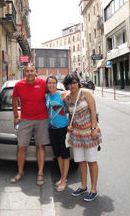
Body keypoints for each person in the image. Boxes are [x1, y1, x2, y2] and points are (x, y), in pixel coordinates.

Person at [63, 73, 102, 202]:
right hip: (77, 134)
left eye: (74, 82)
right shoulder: (67, 98)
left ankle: (94, 189)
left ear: (78, 83)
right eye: (69, 83)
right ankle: (83, 186)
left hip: (90, 133)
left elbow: (93, 112)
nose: (72, 85)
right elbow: (71, 115)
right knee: (80, 161)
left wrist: (93, 129)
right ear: (66, 85)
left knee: (91, 161)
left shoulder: (86, 93)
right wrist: (70, 126)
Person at [10, 63, 50, 186]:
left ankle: (40, 173)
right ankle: (20, 172)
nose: (30, 73)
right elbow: (14, 100)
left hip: (42, 119)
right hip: (25, 119)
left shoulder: (43, 83)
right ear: (24, 72)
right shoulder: (18, 85)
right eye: (27, 71)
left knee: (40, 146)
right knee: (21, 146)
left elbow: (51, 94)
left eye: (32, 71)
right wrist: (16, 116)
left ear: (35, 71)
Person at [45, 74, 70, 192]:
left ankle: (64, 180)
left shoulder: (62, 94)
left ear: (56, 84)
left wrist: (71, 125)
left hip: (62, 129)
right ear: (47, 85)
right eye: (49, 83)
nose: (51, 85)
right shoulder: (47, 96)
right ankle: (62, 177)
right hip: (52, 129)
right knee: (58, 155)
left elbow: (70, 110)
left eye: (53, 83)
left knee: (65, 155)